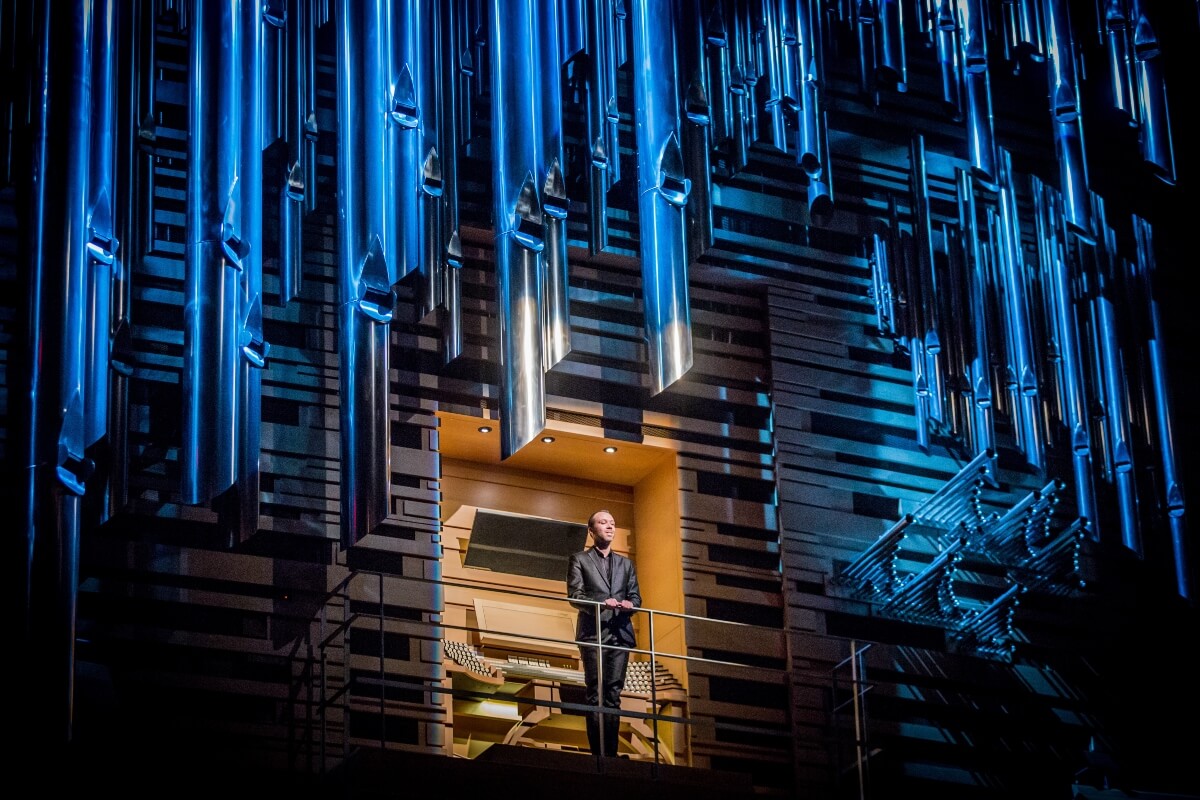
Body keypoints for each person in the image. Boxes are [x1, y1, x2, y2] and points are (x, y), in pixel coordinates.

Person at [566, 509, 641, 758]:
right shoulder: (579, 559)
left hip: (619, 634)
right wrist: (600, 605)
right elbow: (575, 596)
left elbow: (636, 597)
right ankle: (599, 754)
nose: (609, 526)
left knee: (613, 694)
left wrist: (631, 605)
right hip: (593, 634)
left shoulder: (626, 564)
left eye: (612, 522)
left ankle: (610, 754)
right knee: (595, 693)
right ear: (591, 530)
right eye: (603, 522)